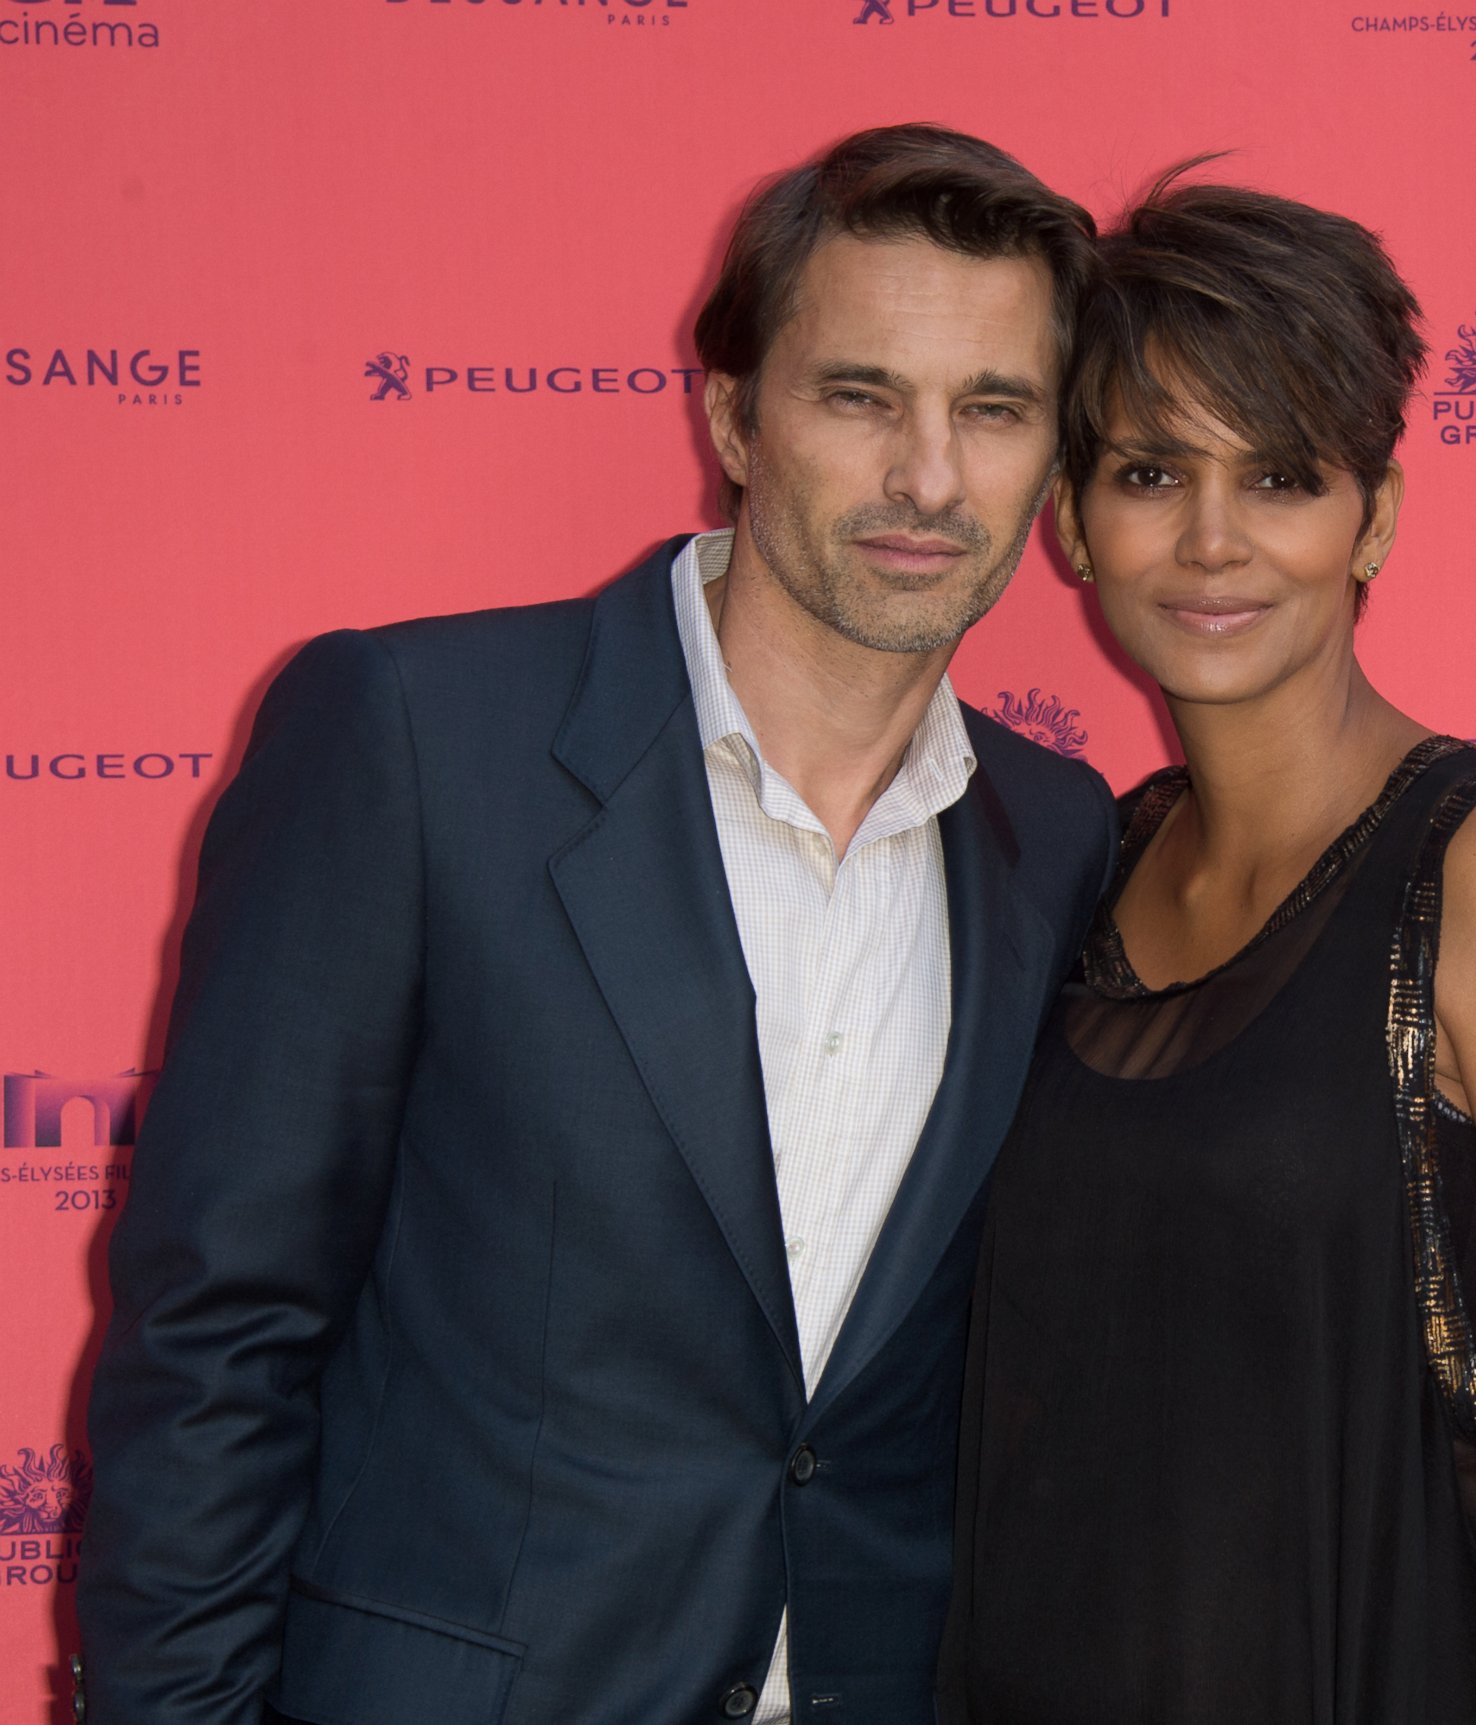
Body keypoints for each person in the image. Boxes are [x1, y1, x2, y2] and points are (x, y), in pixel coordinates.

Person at [77, 125, 1116, 1725]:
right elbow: (221, 1324)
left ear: (1051, 457)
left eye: (992, 410)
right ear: (734, 415)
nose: (928, 475)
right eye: (859, 396)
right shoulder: (422, 741)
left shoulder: (1058, 838)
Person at [941, 173, 1476, 1725]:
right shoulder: (1077, 872)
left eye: (1285, 477)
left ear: (1373, 515)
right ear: (1070, 522)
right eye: (1153, 471)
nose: (1215, 541)